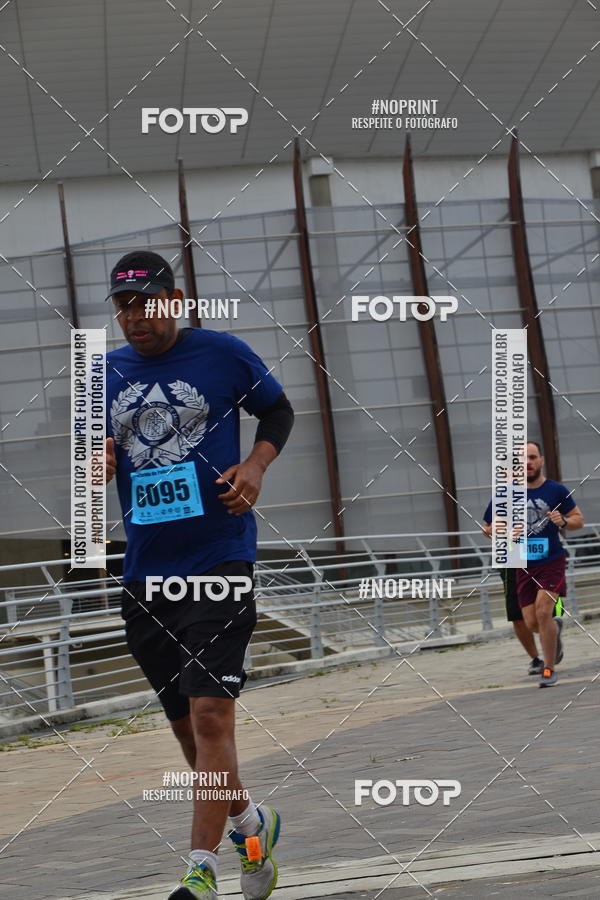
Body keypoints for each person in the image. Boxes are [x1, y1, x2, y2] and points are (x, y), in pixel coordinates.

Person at [104, 250, 294, 899]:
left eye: (146, 302)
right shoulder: (103, 374)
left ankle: (198, 870)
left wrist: (256, 466)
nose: (135, 317)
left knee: (212, 714)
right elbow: (86, 467)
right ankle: (250, 826)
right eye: (124, 306)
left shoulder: (222, 353)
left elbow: (278, 412)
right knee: (190, 731)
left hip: (220, 555)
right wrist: (92, 463)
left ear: (175, 298)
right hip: (146, 574)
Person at [484, 441, 583, 688]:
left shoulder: (556, 491)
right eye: (522, 459)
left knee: (543, 610)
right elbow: (487, 527)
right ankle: (554, 629)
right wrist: (494, 530)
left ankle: (548, 669)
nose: (527, 463)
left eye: (532, 457)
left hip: (551, 560)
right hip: (520, 561)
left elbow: (578, 520)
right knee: (531, 622)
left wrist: (563, 522)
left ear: (541, 460)